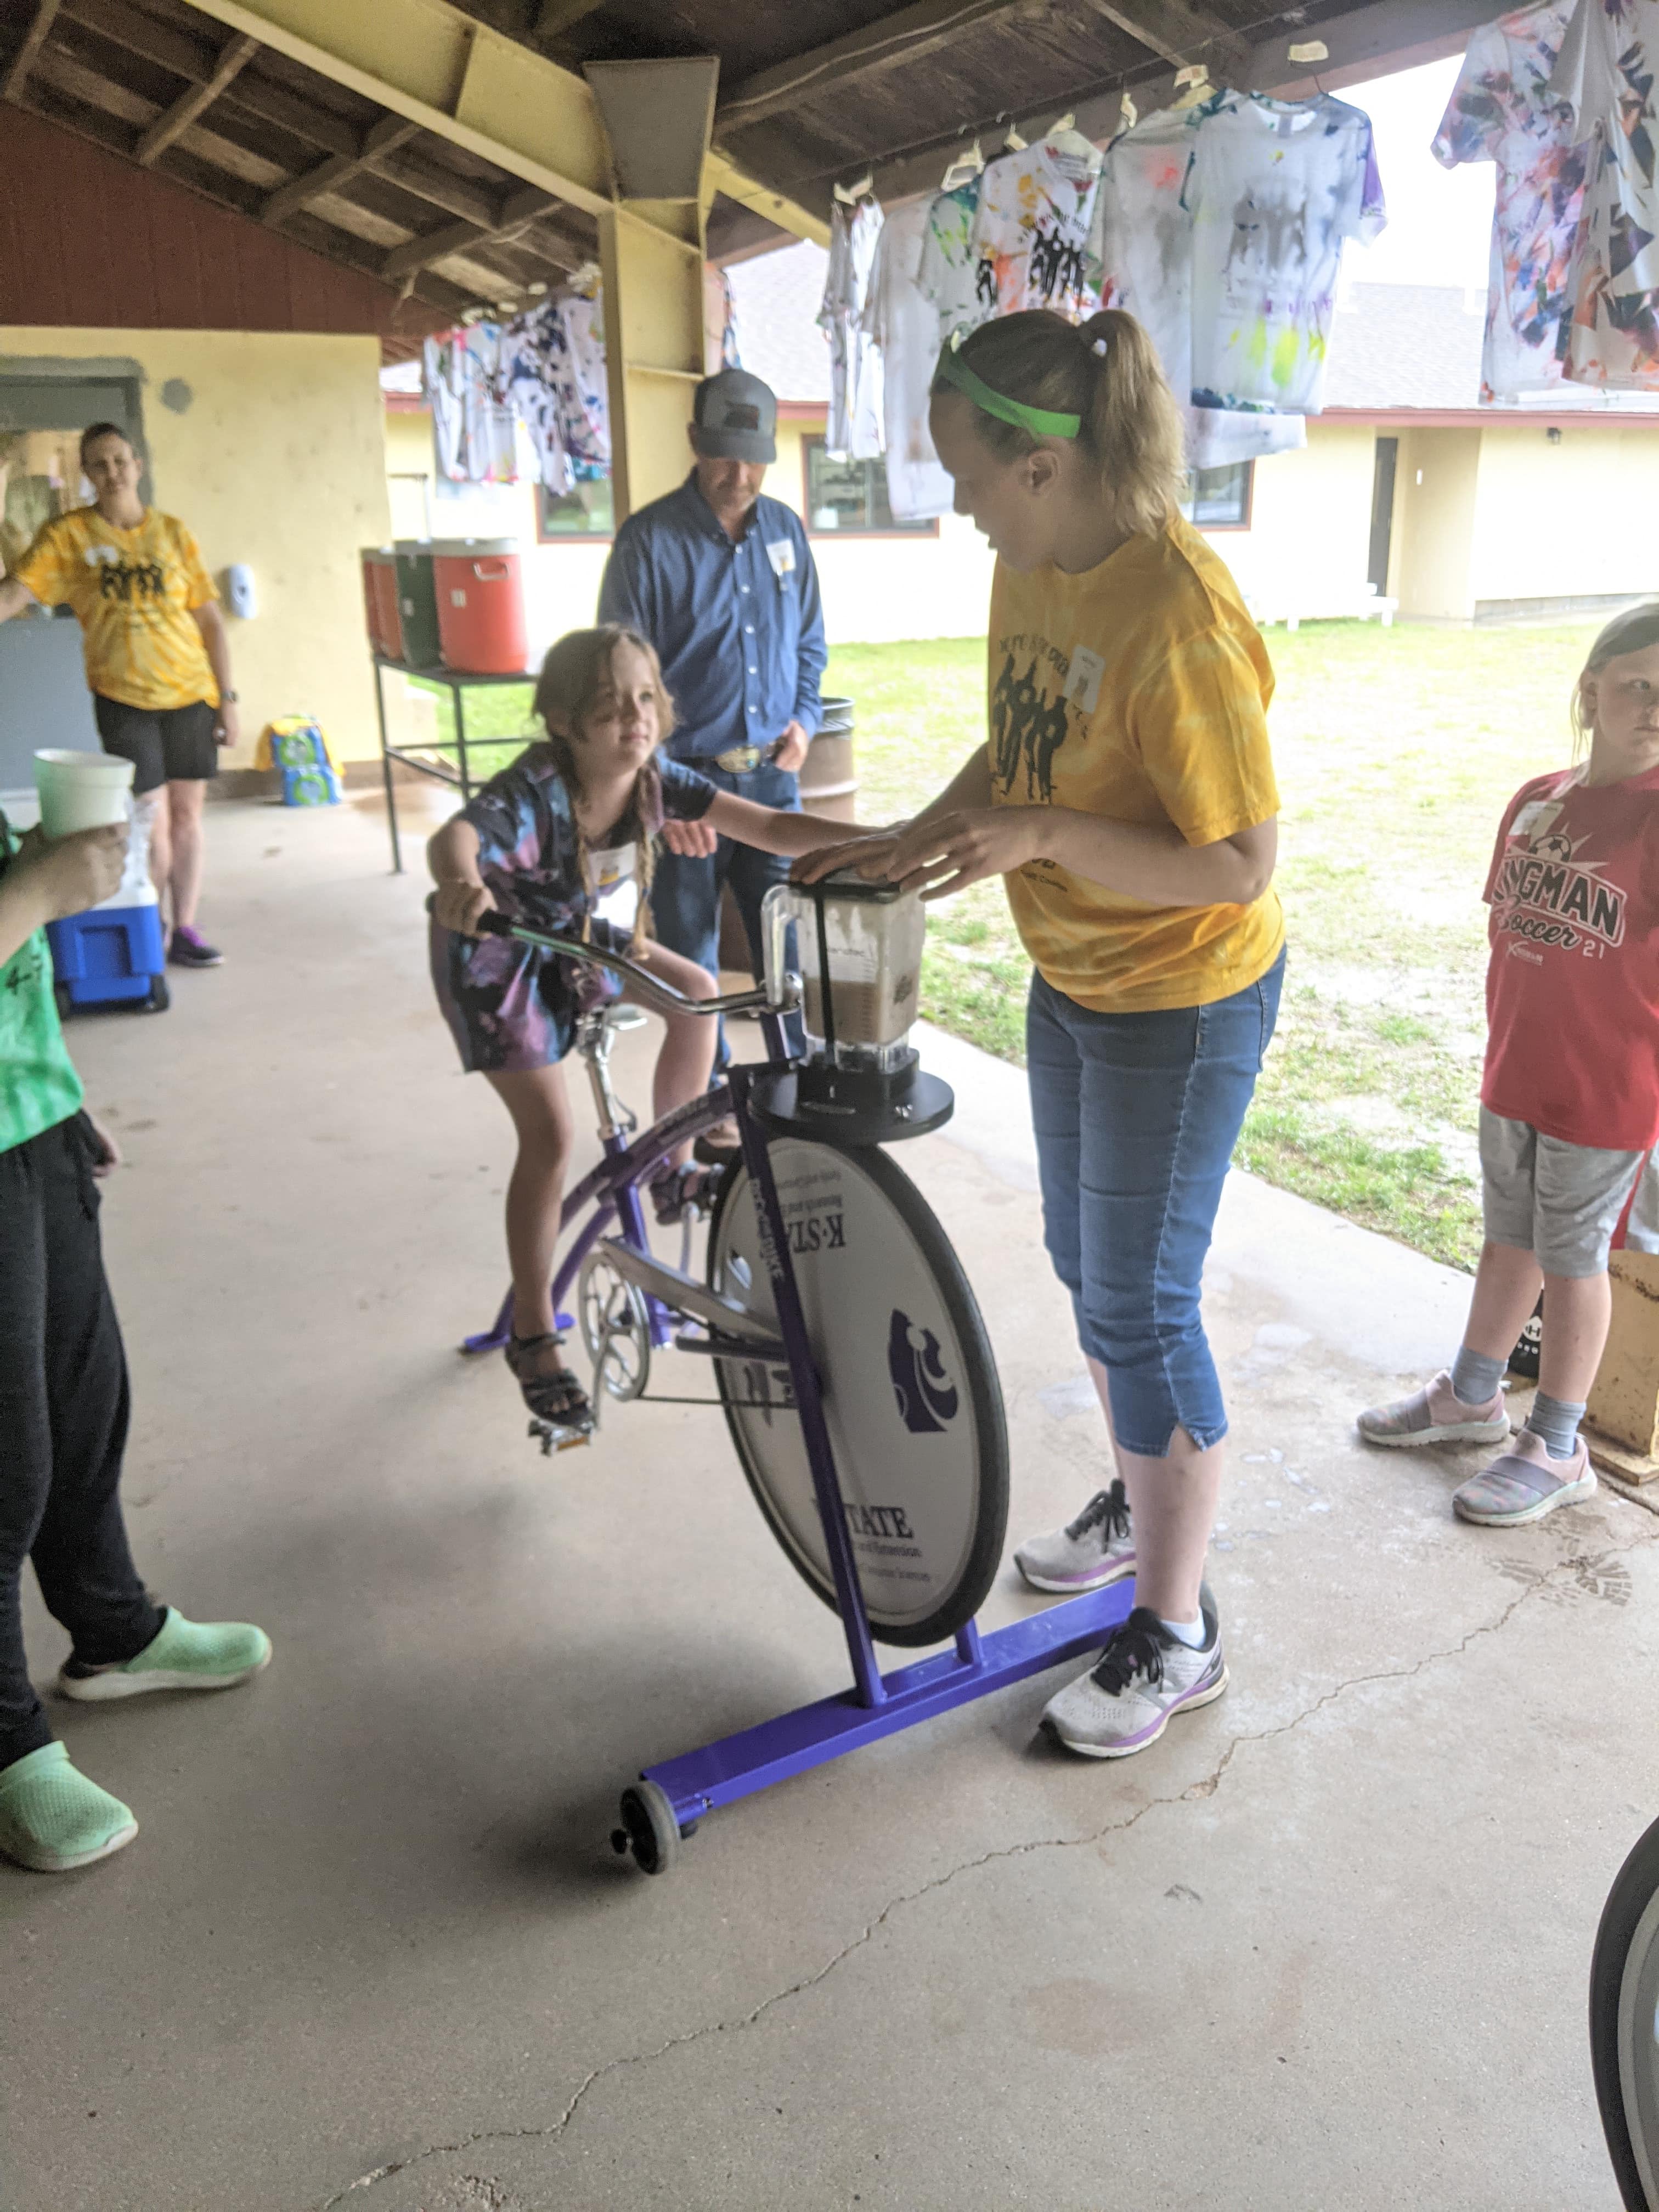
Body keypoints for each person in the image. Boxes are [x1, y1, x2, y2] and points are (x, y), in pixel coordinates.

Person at [802, 309, 1285, 1760]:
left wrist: (1039, 833)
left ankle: (1178, 1626)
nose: (955, 508)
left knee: (1141, 1297)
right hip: (1073, 976)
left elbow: (1240, 863)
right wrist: (929, 828)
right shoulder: (1038, 568)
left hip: (1183, 996)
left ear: (1041, 467)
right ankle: (1148, 1503)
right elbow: (1018, 745)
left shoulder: (1178, 612)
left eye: (964, 477)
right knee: (1089, 1270)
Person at [429, 624, 871, 1434]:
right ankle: (533, 1333)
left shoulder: (653, 780)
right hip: (496, 953)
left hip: (572, 932)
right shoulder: (534, 789)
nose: (633, 718)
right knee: (551, 1139)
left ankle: (670, 1168)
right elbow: (457, 835)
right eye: (607, 705)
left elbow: (771, 829)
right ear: (561, 721)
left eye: (644, 699)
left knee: (697, 991)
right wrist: (461, 885)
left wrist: (883, 843)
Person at [0, 811, 270, 1875]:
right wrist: (42, 888)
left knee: (82, 1400)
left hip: (24, 1112)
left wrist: (55, 1094)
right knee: (5, 1460)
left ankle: (114, 1628)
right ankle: (5, 1739)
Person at [1357, 602, 1659, 1523]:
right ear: (1589, 692)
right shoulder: (1535, 799)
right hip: (1517, 1071)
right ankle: (1473, 1395)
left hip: (1603, 1094)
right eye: (1634, 685)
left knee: (1573, 1263)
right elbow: (1509, 925)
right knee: (1508, 1239)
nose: (1652, 705)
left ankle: (1556, 1445)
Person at [596, 370, 825, 1121]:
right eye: (726, 457)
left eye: (755, 458)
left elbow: (812, 642)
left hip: (772, 784)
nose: (741, 476)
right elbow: (620, 684)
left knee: (787, 947)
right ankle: (718, 1107)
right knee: (693, 959)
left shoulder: (787, 532)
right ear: (695, 443)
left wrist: (804, 717)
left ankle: (799, 1085)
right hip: (685, 789)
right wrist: (662, 792)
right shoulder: (648, 543)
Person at [0, 422, 239, 969]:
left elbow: (211, 622)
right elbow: (17, 593)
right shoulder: (69, 537)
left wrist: (228, 697)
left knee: (187, 817)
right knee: (148, 818)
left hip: (190, 694)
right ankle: (150, 925)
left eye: (119, 461)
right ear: (86, 474)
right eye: (99, 464)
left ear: (138, 466)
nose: (112, 473)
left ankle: (186, 927)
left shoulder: (174, 534)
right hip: (123, 698)